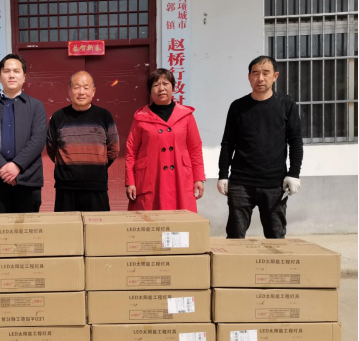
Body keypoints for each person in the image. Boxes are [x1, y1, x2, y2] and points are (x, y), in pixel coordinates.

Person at [218, 55, 303, 239]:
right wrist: (223, 175)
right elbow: (227, 143)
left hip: (274, 183)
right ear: (249, 77)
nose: (260, 78)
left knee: (276, 236)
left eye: (266, 73)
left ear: (275, 76)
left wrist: (294, 173)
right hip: (240, 182)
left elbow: (295, 140)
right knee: (235, 236)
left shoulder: (286, 104)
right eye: (255, 73)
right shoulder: (238, 107)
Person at [125, 68, 205, 212]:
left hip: (180, 177)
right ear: (150, 91)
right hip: (151, 179)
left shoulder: (186, 116)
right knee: (150, 220)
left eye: (165, 84)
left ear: (173, 88)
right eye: (156, 85)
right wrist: (130, 181)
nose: (161, 88)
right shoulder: (141, 118)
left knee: (180, 222)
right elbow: (131, 152)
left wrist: (198, 178)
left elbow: (195, 149)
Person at [0, 53, 46, 213]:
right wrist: (3, 167)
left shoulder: (36, 106)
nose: (12, 75)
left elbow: (38, 139)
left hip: (28, 178)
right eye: (6, 71)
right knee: (0, 228)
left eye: (16, 71)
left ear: (24, 77)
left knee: (28, 227)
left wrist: (17, 166)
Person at [46, 71, 119, 212]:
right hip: (66, 188)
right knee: (67, 226)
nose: (81, 92)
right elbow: (51, 148)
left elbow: (114, 149)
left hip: (96, 187)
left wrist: (97, 165)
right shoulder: (58, 117)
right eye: (77, 87)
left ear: (93, 91)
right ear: (69, 91)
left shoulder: (104, 116)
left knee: (98, 225)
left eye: (86, 87)